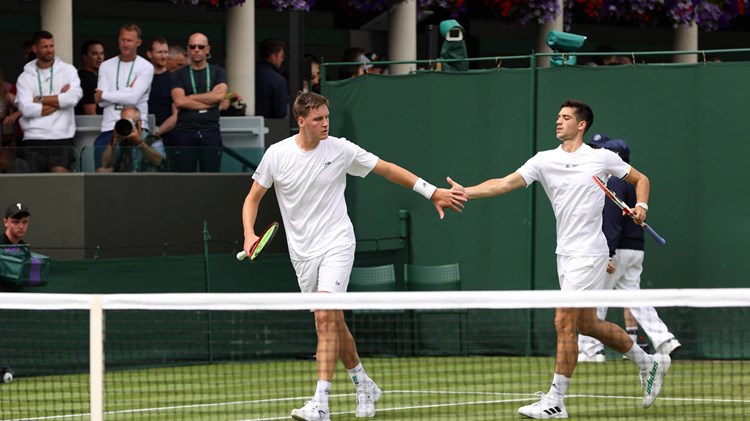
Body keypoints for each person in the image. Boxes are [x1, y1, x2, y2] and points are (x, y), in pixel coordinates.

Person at [241, 92, 465, 421]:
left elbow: (387, 169)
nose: (325, 123)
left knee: (324, 318)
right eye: (318, 119)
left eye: (327, 116)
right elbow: (252, 198)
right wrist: (249, 233)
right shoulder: (276, 155)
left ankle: (320, 402)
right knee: (333, 321)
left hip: (337, 242)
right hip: (302, 253)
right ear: (301, 122)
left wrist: (431, 192)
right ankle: (364, 384)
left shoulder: (341, 149)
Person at [447, 99, 671, 419]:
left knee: (563, 321)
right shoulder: (543, 160)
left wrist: (642, 207)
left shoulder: (601, 158)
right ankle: (647, 363)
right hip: (564, 253)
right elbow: (505, 183)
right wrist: (466, 191)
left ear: (581, 125)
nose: (558, 122)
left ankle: (555, 400)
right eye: (558, 117)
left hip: (590, 251)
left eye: (565, 118)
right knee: (587, 323)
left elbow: (641, 180)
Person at [577, 135, 681, 363]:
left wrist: (608, 253)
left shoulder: (613, 180)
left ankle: (591, 351)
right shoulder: (632, 181)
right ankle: (665, 339)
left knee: (596, 298)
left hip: (617, 251)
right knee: (635, 297)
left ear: (612, 156)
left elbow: (612, 222)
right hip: (636, 250)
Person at [14, 30, 82, 173]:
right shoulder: (24, 77)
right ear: (35, 49)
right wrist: (59, 100)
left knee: (60, 182)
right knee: (35, 185)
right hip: (33, 137)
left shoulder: (68, 70)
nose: (50, 50)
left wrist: (40, 99)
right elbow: (26, 108)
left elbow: (73, 98)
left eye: (52, 46)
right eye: (45, 47)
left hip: (62, 136)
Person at [94, 23, 154, 173]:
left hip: (137, 128)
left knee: (138, 177)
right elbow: (100, 102)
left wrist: (107, 94)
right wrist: (128, 92)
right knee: (103, 172)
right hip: (110, 126)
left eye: (130, 40)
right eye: (122, 40)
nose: (125, 44)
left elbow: (133, 99)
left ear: (138, 42)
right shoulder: (106, 65)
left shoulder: (146, 66)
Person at [170, 32, 227, 172]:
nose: (197, 49)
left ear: (207, 49)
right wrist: (210, 100)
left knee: (211, 179)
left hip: (210, 131)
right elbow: (179, 101)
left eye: (201, 46)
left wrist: (190, 97)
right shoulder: (179, 74)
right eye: (193, 46)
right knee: (183, 179)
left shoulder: (218, 72)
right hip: (185, 131)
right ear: (188, 49)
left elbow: (219, 96)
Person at [100, 105, 166, 172]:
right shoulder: (120, 141)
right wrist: (113, 141)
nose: (127, 125)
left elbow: (159, 161)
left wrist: (140, 143)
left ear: (139, 123)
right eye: (125, 122)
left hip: (147, 180)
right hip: (125, 180)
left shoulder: (153, 140)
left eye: (131, 122)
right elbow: (106, 164)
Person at [147, 36, 177, 141]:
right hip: (139, 137)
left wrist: (155, 134)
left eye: (166, 52)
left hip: (166, 139)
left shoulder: (174, 80)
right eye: (159, 52)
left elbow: (176, 116)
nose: (164, 56)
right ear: (149, 54)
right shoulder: (141, 78)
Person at [255, 38, 287, 118]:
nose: (282, 59)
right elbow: (280, 113)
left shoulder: (249, 74)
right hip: (270, 126)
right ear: (273, 57)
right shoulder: (278, 80)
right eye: (281, 56)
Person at [75, 39, 105, 115]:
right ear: (85, 57)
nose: (99, 57)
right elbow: (91, 113)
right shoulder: (85, 79)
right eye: (95, 54)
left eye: (101, 53)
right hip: (91, 125)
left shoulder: (96, 77)